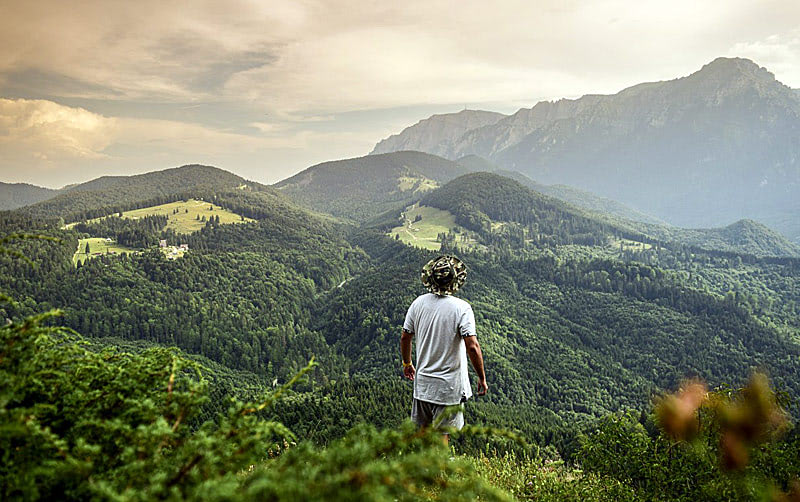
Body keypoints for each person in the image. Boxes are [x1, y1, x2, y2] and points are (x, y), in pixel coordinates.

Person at [400, 255, 488, 441]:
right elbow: (472, 346)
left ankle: (423, 468)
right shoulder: (462, 308)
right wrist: (481, 377)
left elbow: (405, 336)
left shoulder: (418, 303)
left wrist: (407, 363)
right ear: (455, 281)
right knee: (442, 436)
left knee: (423, 434)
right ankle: (437, 470)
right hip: (448, 387)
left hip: (423, 384)